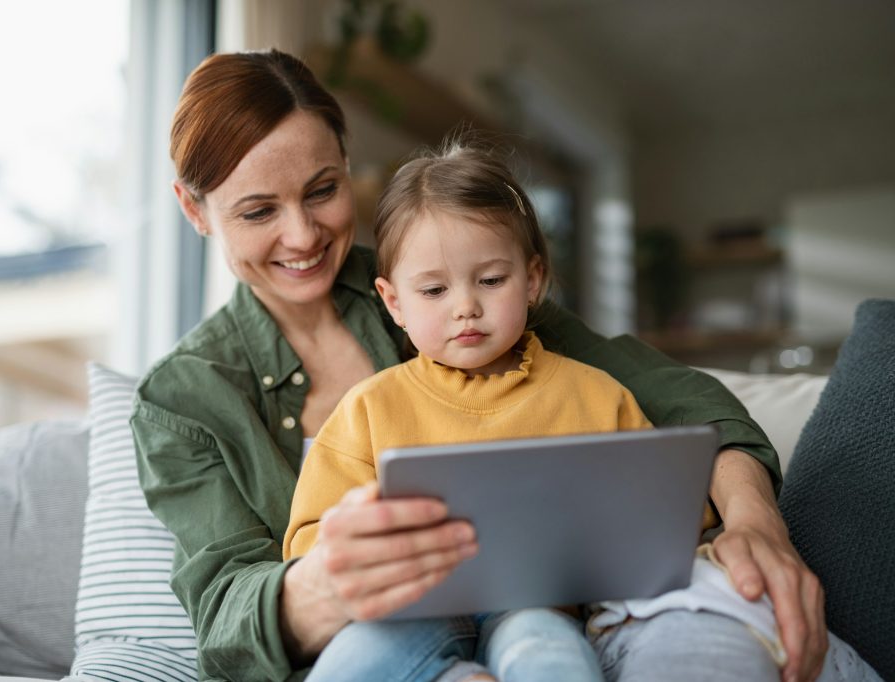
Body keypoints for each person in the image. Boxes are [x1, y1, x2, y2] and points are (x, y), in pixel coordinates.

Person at [131, 48, 855, 682]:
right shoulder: (184, 399)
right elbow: (225, 617)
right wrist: (325, 582)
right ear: (195, 212)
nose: (302, 234)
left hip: (539, 616)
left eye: (323, 190)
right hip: (384, 643)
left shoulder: (457, 273)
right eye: (258, 211)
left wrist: (756, 522)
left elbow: (680, 403)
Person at [281, 139, 652, 682]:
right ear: (394, 303)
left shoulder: (597, 396)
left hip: (537, 606)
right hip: (408, 612)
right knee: (351, 663)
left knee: (547, 654)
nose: (465, 307)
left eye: (492, 280)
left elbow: (660, 518)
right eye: (433, 290)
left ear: (534, 280)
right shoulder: (367, 410)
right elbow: (309, 544)